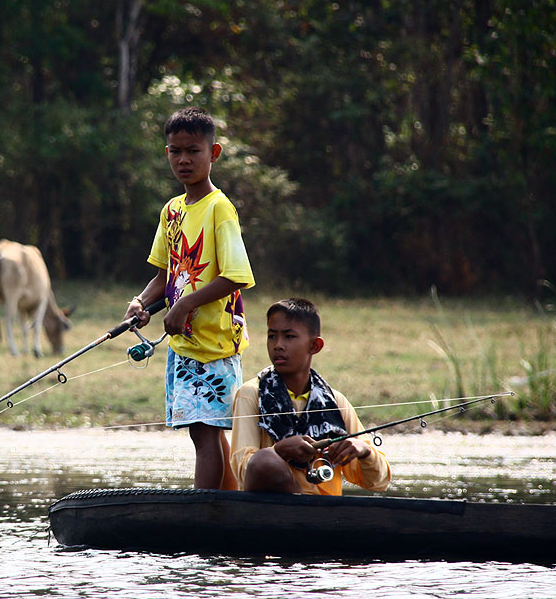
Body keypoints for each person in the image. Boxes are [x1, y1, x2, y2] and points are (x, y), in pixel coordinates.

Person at [125, 107, 255, 490]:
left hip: (215, 344)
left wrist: (184, 304)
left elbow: (236, 276)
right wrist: (141, 303)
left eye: (193, 151)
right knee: (207, 432)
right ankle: (229, 506)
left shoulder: (220, 209)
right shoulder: (173, 211)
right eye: (174, 151)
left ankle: (205, 509)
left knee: (204, 432)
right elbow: (166, 274)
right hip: (184, 346)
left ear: (213, 154)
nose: (183, 159)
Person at [230, 298, 390, 494]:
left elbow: (378, 482)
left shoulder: (335, 401)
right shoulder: (252, 394)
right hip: (272, 510)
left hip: (324, 515)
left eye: (289, 337)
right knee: (265, 460)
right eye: (272, 336)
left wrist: (363, 450)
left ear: (315, 346)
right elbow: (243, 470)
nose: (278, 345)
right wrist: (279, 451)